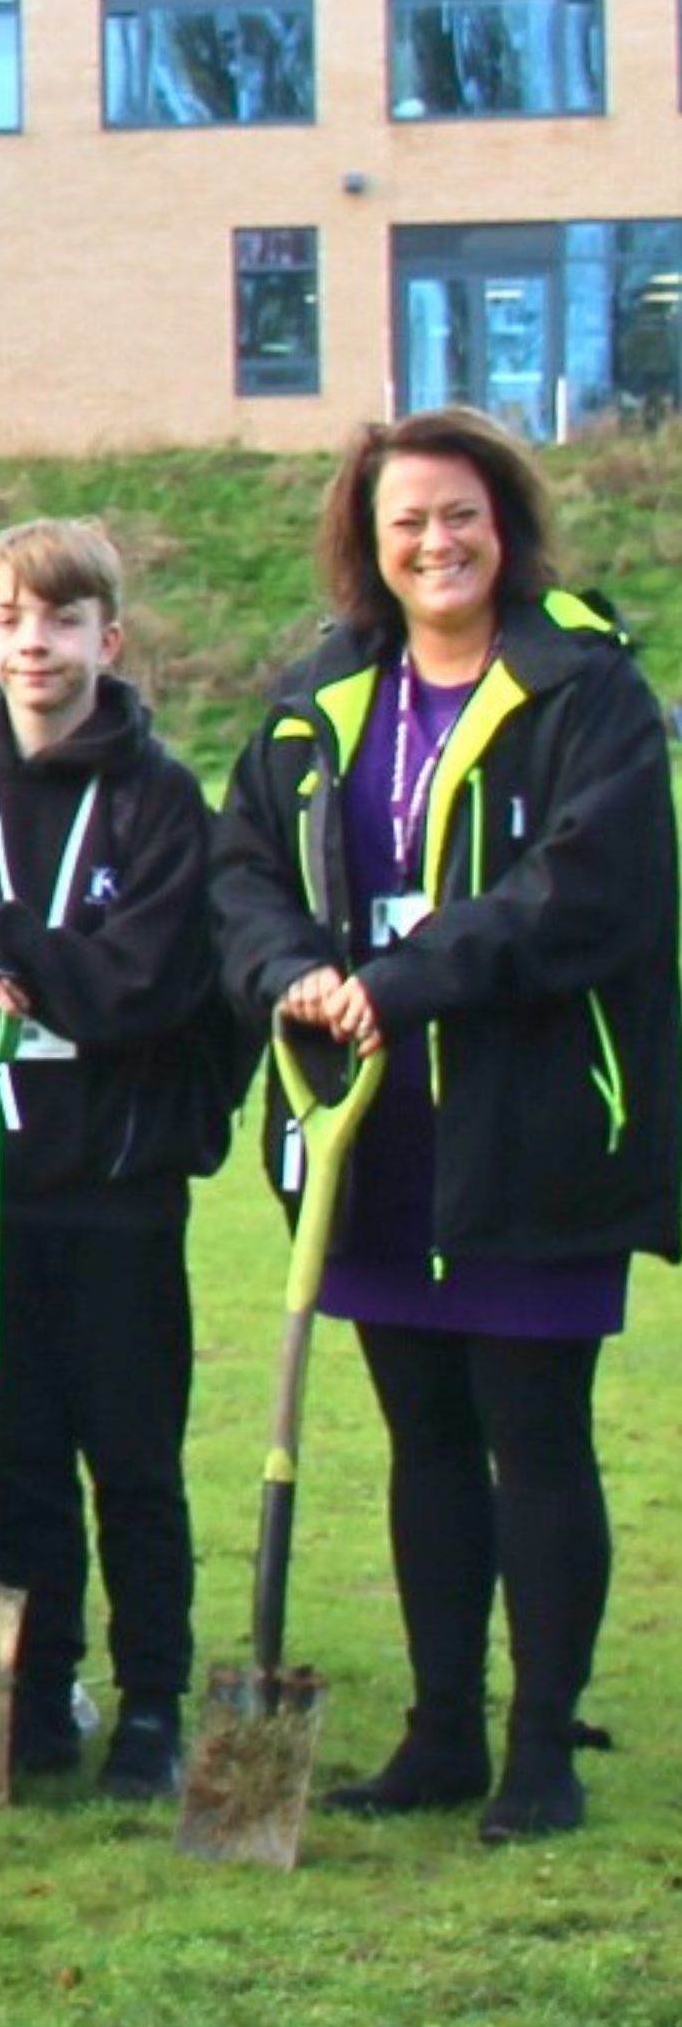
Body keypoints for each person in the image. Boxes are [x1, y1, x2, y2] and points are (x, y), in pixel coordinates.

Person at [207, 411, 677, 1843]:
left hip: (530, 1122)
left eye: (458, 514)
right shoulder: (317, 699)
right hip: (370, 1130)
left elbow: (582, 891)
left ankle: (541, 1742)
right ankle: (438, 1728)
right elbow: (239, 865)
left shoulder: (583, 687)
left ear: (503, 522)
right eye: (405, 519)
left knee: (530, 1430)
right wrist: (287, 971)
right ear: (367, 539)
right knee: (417, 1435)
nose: (435, 542)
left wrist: (397, 981)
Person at [0, 519, 237, 1799]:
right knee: (11, 1452)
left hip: (118, 1190)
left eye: (61, 621)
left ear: (109, 637)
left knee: (131, 1456)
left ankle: (152, 1699)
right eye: (9, 621)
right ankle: (34, 1691)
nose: (34, 645)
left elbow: (145, 981)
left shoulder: (160, 801)